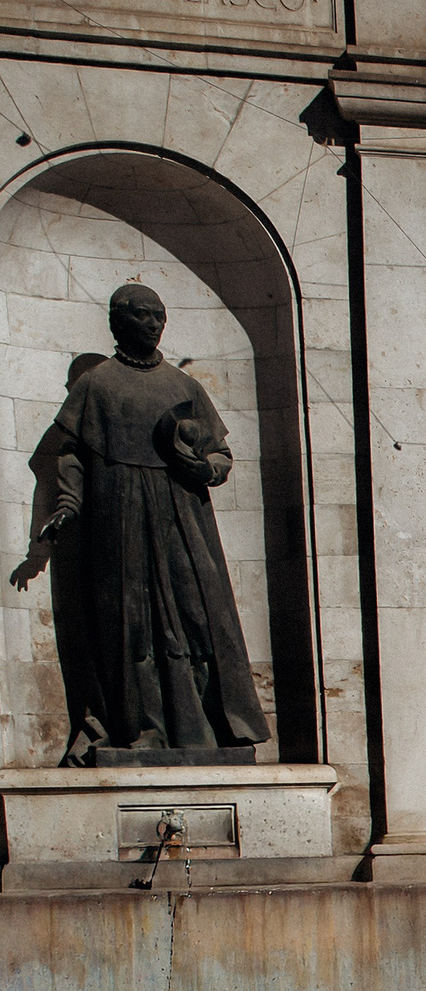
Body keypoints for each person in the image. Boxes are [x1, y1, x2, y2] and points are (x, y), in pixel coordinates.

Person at [29, 285, 269, 760]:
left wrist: (207, 468)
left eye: (159, 315)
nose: (154, 324)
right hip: (118, 515)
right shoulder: (95, 385)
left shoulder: (184, 387)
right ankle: (142, 729)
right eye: (142, 315)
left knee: (197, 615)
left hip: (183, 515)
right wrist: (67, 506)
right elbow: (71, 455)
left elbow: (220, 453)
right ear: (118, 322)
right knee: (129, 622)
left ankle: (206, 727)